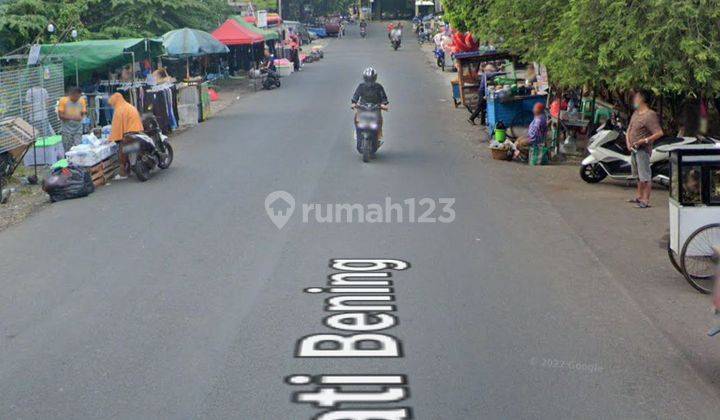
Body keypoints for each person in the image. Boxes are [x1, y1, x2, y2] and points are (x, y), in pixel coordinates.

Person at [626, 89, 664, 208]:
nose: (634, 100)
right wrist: (628, 142)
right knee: (638, 175)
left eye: (636, 97)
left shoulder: (650, 115)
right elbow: (629, 129)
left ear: (642, 99)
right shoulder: (636, 113)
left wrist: (645, 140)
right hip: (633, 149)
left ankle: (646, 200)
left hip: (642, 150)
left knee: (645, 176)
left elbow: (659, 133)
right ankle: (639, 196)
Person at [108, 93, 143, 179]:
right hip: (137, 131)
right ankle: (130, 168)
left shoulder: (119, 110)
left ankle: (123, 173)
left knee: (121, 151)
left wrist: (111, 139)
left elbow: (117, 128)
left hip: (130, 133)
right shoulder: (128, 106)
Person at [351, 67, 389, 147]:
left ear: (374, 78)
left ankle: (379, 135)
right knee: (356, 117)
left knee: (379, 120)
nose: (369, 81)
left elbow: (384, 98)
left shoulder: (379, 87)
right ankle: (357, 131)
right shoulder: (361, 86)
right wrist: (354, 103)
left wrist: (384, 105)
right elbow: (356, 95)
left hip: (375, 108)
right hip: (363, 107)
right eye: (368, 79)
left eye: (371, 79)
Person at [57, 87, 87, 153]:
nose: (77, 99)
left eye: (79, 97)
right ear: (72, 94)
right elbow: (60, 115)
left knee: (78, 148)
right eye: (76, 97)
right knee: (68, 150)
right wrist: (73, 117)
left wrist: (82, 116)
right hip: (67, 130)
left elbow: (83, 112)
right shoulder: (63, 100)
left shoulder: (81, 100)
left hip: (78, 129)